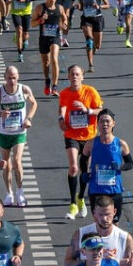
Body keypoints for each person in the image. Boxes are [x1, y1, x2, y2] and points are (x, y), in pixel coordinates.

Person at [57, 66, 102, 220]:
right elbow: (62, 108)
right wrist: (61, 119)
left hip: (89, 136)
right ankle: (72, 204)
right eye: (72, 74)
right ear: (68, 77)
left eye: (77, 74)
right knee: (73, 167)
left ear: (82, 77)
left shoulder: (90, 91)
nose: (75, 77)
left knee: (85, 171)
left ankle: (81, 197)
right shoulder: (64, 93)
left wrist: (87, 110)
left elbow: (100, 110)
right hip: (71, 134)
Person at [0, 67, 37, 208]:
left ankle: (20, 191)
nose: (12, 81)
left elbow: (34, 103)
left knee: (17, 161)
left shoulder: (24, 89)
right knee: (6, 163)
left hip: (19, 132)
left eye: (14, 78)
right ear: (5, 77)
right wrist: (0, 114)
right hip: (4, 132)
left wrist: (28, 118)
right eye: (9, 78)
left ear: (18, 77)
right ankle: (9, 192)